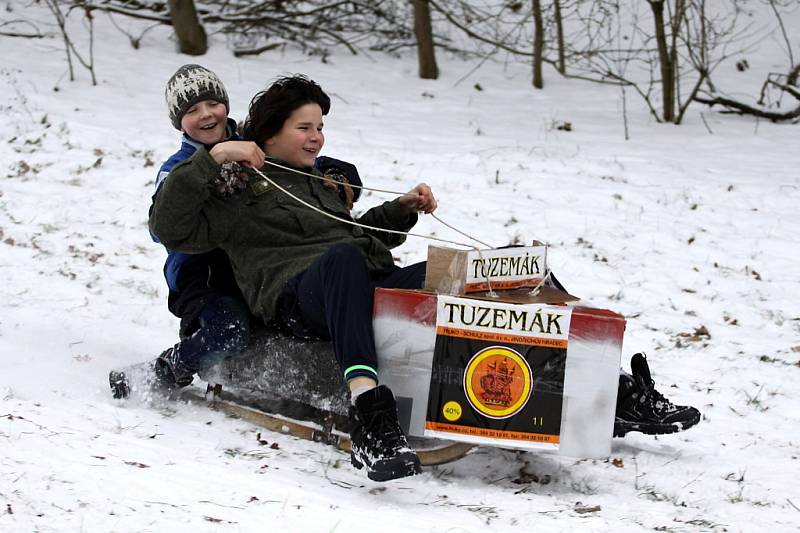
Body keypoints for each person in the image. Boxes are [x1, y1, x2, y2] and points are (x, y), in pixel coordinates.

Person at [150, 75, 432, 481]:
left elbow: (350, 235)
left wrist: (401, 208)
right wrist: (214, 159)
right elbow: (169, 227)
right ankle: (370, 416)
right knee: (343, 260)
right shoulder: (238, 187)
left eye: (320, 128)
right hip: (296, 299)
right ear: (270, 133)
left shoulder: (313, 180)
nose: (317, 138)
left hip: (354, 280)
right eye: (305, 128)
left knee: (456, 274)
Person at [110, 65, 362, 399]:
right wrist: (214, 166)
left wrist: (336, 175)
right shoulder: (178, 168)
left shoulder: (251, 143)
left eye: (212, 104)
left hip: (254, 263)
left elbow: (300, 165)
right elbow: (163, 229)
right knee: (228, 329)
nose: (205, 115)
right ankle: (164, 372)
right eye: (191, 110)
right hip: (204, 273)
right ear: (178, 121)